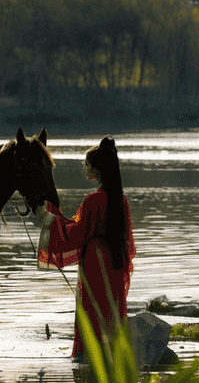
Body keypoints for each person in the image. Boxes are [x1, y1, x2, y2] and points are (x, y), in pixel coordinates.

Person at [37, 136, 135, 362]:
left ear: (96, 170)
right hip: (116, 261)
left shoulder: (93, 201)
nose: (84, 168)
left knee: (91, 310)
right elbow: (127, 239)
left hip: (94, 263)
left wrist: (49, 218)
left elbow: (76, 233)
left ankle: (88, 359)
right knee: (111, 309)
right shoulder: (121, 199)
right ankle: (113, 359)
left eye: (86, 164)